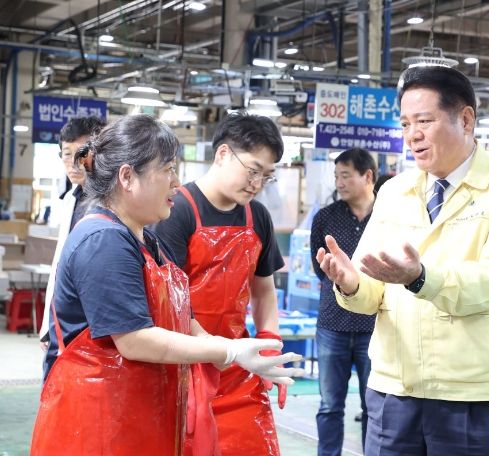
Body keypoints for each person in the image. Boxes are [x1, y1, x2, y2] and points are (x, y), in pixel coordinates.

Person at [30, 114, 303, 456]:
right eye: (168, 170)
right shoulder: (102, 240)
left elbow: (180, 315)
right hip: (96, 422)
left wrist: (231, 347)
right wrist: (226, 351)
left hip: (135, 413)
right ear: (127, 177)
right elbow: (134, 339)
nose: (176, 183)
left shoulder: (145, 240)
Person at [315, 65, 489, 456]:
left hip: (473, 393)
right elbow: (373, 289)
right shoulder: (395, 191)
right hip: (394, 388)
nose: (412, 135)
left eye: (424, 121)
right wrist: (350, 283)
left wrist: (420, 278)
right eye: (405, 124)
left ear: (466, 119)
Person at [155, 111, 287, 455]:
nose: (257, 183)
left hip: (238, 364)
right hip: (182, 363)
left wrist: (268, 345)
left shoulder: (257, 216)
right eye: (253, 170)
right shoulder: (176, 211)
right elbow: (168, 303)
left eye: (267, 176)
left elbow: (263, 290)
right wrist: (213, 349)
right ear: (223, 154)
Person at [310, 148, 377, 456]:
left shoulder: (388, 218)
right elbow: (319, 269)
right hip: (332, 324)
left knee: (374, 405)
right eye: (336, 176)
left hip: (375, 327)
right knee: (329, 405)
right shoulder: (325, 218)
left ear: (368, 176)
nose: (339, 182)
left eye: (346, 176)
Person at [39, 116, 106, 344]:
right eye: (67, 154)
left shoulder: (110, 203)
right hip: (62, 321)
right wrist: (47, 325)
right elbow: (59, 265)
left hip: (92, 326)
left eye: (81, 153)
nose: (73, 162)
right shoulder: (71, 199)